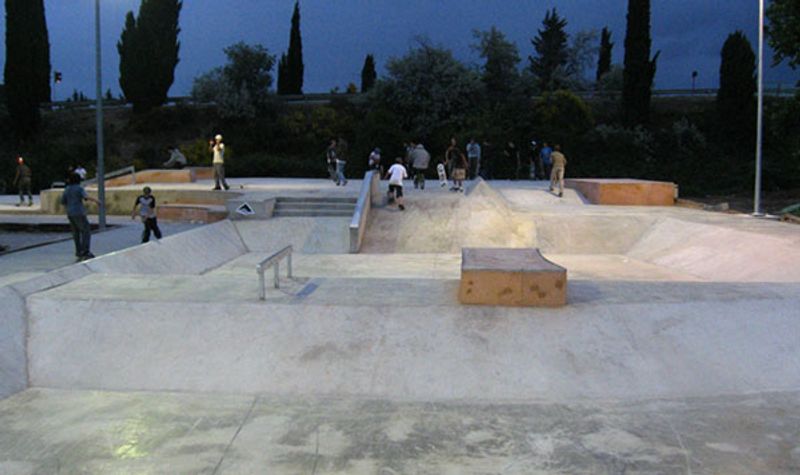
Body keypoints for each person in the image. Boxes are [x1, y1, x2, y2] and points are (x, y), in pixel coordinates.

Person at [61, 173, 100, 261]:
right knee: (86, 231)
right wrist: (96, 201)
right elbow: (85, 196)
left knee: (76, 233)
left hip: (70, 213)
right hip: (79, 212)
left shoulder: (67, 189)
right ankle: (85, 251)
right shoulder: (79, 188)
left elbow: (63, 201)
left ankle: (78, 251)